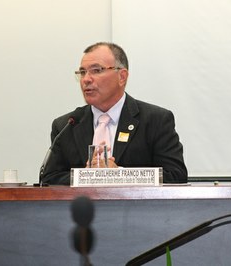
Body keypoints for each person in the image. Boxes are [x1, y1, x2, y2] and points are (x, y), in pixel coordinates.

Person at [41, 42, 187, 185]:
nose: (86, 79)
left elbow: (176, 175)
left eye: (96, 70)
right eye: (82, 72)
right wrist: (84, 177)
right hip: (83, 208)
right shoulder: (67, 125)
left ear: (122, 76)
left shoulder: (155, 120)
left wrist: (119, 175)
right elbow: (48, 179)